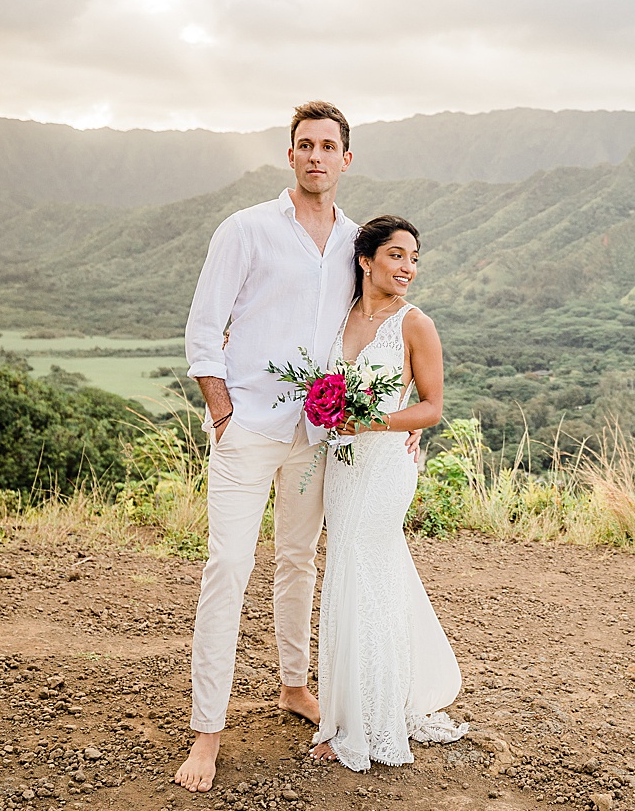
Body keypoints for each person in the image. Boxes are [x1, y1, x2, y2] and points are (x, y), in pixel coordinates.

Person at [174, 102, 418, 793]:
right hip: (249, 427)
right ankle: (207, 729)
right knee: (227, 566)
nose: (316, 156)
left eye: (328, 146)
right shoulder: (246, 228)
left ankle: (292, 685)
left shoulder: (354, 244)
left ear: (346, 159)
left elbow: (381, 320)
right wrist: (224, 416)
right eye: (304, 145)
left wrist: (397, 419)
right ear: (291, 156)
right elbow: (202, 330)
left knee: (297, 562)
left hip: (318, 436)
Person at [309, 215, 467, 770]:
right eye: (397, 256)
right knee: (353, 572)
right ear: (365, 260)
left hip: (383, 466)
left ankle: (366, 723)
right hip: (342, 464)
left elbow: (432, 407)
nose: (408, 269)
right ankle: (355, 705)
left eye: (414, 259)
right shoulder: (340, 314)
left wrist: (373, 420)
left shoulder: (414, 324)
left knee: (360, 565)